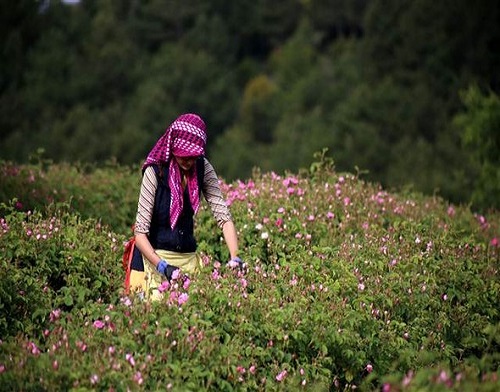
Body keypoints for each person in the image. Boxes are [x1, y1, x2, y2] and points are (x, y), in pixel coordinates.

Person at [127, 113, 241, 300]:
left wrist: (235, 256)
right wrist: (163, 267)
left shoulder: (203, 168)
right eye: (184, 157)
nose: (189, 163)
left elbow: (224, 218)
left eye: (193, 158)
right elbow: (140, 234)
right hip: (153, 259)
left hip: (187, 260)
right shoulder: (155, 171)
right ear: (172, 148)